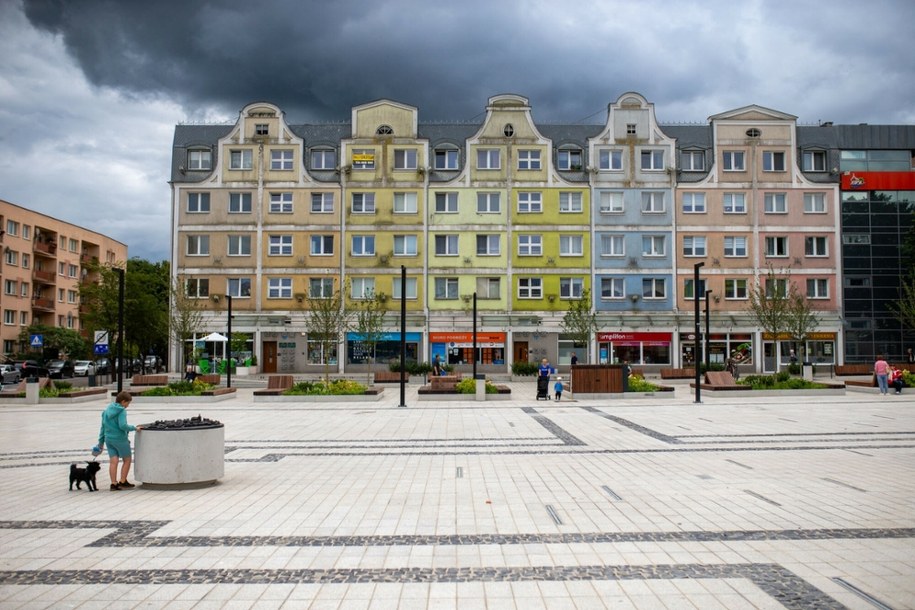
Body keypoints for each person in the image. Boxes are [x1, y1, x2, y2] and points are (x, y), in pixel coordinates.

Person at [98, 390, 141, 491]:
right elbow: (123, 426)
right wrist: (135, 428)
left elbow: (102, 427)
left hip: (108, 439)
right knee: (127, 459)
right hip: (120, 439)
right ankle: (122, 481)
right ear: (123, 401)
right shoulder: (121, 411)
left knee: (113, 461)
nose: (128, 406)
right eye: (128, 403)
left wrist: (101, 442)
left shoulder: (107, 410)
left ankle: (113, 484)